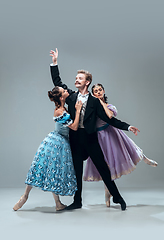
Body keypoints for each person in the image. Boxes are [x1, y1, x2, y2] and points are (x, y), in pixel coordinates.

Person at [50, 48, 140, 211]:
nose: (76, 80)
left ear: (87, 82)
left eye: (80, 78)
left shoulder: (95, 101)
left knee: (103, 169)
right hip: (75, 137)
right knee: (77, 170)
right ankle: (77, 201)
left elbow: (109, 119)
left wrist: (127, 126)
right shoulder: (70, 96)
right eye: (76, 78)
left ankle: (118, 197)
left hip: (90, 138)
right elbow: (57, 82)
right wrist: (55, 62)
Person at [83, 83, 158, 207]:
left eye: (100, 90)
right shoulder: (92, 107)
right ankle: (108, 193)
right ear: (93, 94)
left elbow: (110, 116)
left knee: (131, 148)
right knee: (105, 167)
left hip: (111, 134)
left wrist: (100, 102)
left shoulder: (109, 106)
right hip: (99, 138)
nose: (98, 92)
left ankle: (145, 159)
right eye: (95, 91)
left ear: (103, 91)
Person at [13, 86, 82, 211]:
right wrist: (78, 111)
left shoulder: (62, 108)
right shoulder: (59, 112)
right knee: (41, 167)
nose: (67, 90)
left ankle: (58, 203)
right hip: (57, 142)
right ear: (61, 97)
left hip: (60, 141)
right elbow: (75, 127)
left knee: (52, 170)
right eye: (64, 91)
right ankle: (25, 196)